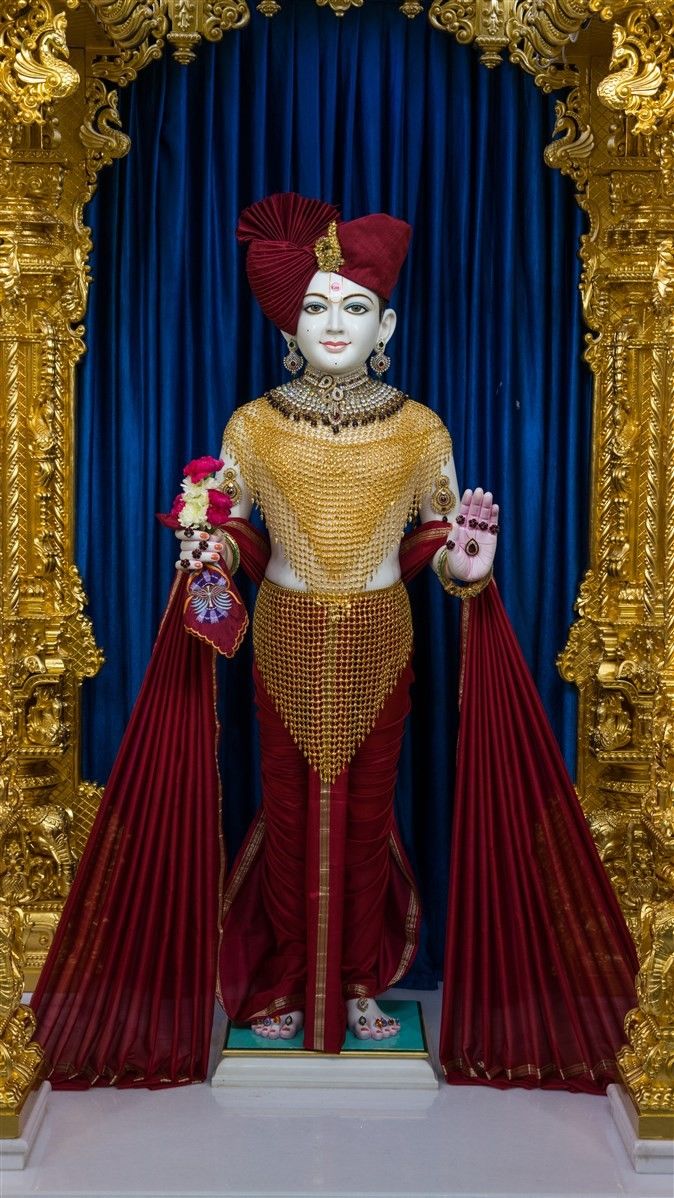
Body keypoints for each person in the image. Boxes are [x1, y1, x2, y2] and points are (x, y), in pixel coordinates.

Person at [176, 193, 498, 1054]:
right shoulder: (254, 422)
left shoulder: (420, 428)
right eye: (315, 305)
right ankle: (283, 978)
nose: (333, 323)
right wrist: (208, 551)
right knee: (287, 815)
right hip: (283, 638)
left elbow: (439, 536)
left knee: (364, 823)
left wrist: (466, 566)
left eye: (355, 307)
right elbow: (234, 528)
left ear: (385, 324)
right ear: (290, 325)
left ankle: (359, 981)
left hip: (381, 642)